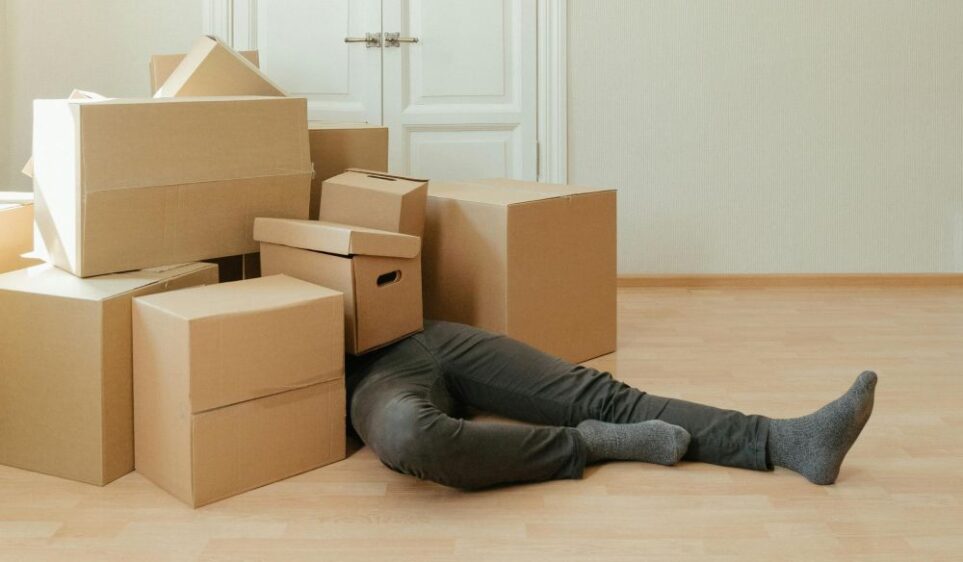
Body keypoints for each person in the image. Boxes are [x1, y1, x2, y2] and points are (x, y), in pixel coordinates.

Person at [347, 320, 877, 489]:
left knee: (603, 395)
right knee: (415, 436)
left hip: (418, 328)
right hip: (364, 375)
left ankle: (787, 440)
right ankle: (592, 443)